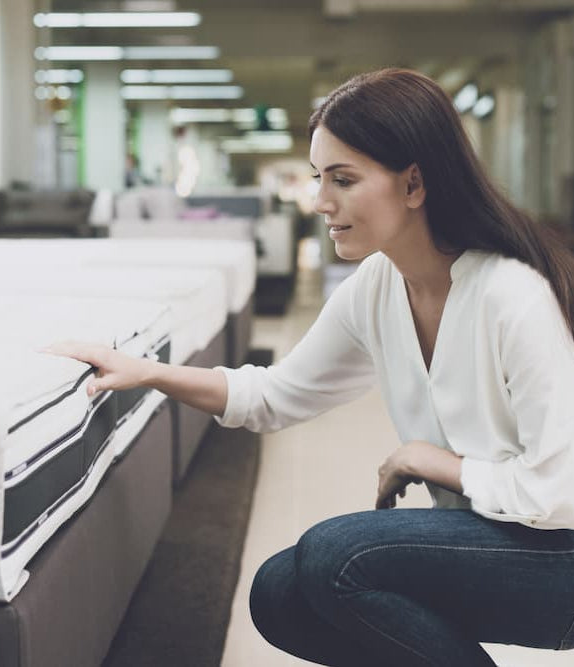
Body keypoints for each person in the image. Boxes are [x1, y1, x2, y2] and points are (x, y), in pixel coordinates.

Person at [43, 69, 574, 666]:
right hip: (494, 542)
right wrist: (146, 371)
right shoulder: (376, 286)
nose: (321, 202)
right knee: (280, 593)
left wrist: (433, 462)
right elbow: (275, 395)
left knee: (334, 556)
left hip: (559, 554)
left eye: (343, 180)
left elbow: (559, 494)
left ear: (414, 184)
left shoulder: (512, 294)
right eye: (321, 178)